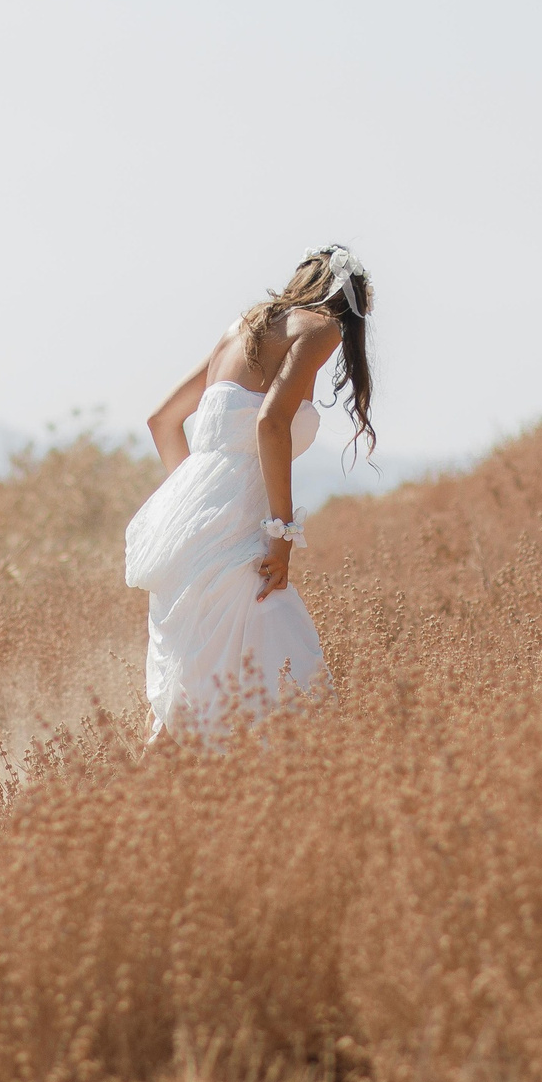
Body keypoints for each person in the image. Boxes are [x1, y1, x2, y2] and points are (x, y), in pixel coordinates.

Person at [125, 246, 376, 737]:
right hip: (237, 533)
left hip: (184, 530)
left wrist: (190, 504)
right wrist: (282, 532)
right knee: (289, 681)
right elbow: (272, 422)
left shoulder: (241, 329)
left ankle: (139, 807)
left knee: (194, 699)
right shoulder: (320, 327)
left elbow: (162, 422)